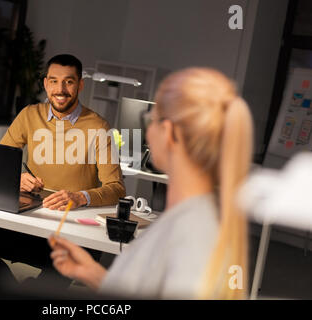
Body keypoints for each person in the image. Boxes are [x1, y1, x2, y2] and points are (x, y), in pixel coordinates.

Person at [49, 67, 254, 300]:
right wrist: (94, 274)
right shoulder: (191, 217)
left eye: (151, 120)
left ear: (169, 132)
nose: (148, 129)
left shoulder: (194, 232)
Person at [0, 54, 125, 299]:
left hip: (73, 234)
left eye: (69, 82)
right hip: (30, 223)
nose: (60, 89)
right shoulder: (29, 115)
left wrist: (80, 197)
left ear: (80, 85)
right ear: (45, 83)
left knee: (59, 274)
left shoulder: (98, 126)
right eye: (54, 81)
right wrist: (16, 176)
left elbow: (116, 187)